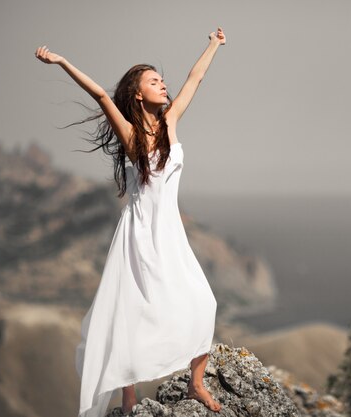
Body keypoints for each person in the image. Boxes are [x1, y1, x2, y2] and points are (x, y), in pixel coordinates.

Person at [34, 27, 226, 417]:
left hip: (169, 231)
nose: (164, 84)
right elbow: (102, 95)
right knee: (131, 312)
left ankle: (196, 384)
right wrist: (62, 62)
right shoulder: (131, 133)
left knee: (204, 301)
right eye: (154, 81)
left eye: (162, 79)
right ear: (138, 93)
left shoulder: (170, 121)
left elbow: (195, 78)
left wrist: (214, 44)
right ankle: (127, 396)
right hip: (139, 232)